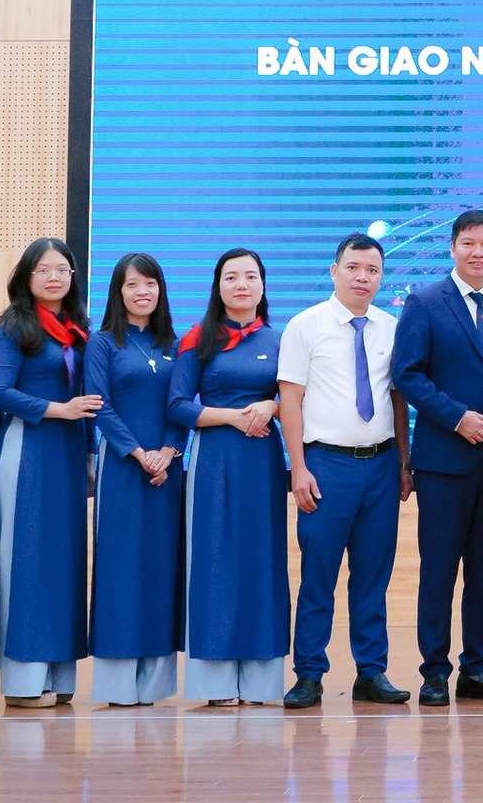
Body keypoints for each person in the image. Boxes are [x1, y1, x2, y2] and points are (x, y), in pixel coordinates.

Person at [392, 210, 483, 706]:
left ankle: (478, 669)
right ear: (452, 247)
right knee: (439, 571)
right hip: (444, 464)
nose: (478, 252)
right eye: (469, 242)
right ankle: (434, 673)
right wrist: (456, 417)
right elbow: (407, 374)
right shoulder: (425, 302)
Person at [281, 234, 414, 710]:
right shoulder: (305, 326)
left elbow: (398, 399)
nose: (363, 277)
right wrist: (298, 468)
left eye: (372, 270)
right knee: (318, 574)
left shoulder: (392, 328)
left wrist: (404, 462)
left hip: (380, 466)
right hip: (325, 465)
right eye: (353, 267)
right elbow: (290, 401)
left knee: (373, 576)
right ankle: (308, 673)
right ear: (334, 270)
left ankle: (371, 672)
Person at [168, 248, 290, 705]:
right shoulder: (197, 339)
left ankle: (261, 682)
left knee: (262, 560)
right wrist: (233, 418)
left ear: (263, 285)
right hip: (213, 458)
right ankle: (214, 682)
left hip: (263, 462)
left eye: (251, 276)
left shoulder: (280, 341)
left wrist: (271, 405)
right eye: (231, 277)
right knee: (214, 559)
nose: (242, 284)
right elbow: (178, 406)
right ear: (218, 287)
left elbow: (298, 399)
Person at [0, 236, 99, 708]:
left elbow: (88, 402)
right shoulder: (16, 326)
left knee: (63, 563)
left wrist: (90, 456)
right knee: (26, 560)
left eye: (62, 270)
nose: (54, 277)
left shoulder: (79, 329)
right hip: (28, 450)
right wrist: (58, 409)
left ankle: (59, 674)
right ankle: (22, 681)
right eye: (43, 270)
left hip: (69, 455)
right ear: (26, 277)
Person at [85, 253, 185, 706]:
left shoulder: (176, 344)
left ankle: (155, 685)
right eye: (132, 284)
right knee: (120, 567)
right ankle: (119, 684)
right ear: (118, 292)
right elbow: (98, 404)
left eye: (150, 283)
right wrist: (139, 453)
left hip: (168, 470)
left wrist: (168, 451)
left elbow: (183, 403)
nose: (142, 291)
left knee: (161, 569)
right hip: (123, 468)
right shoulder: (103, 343)